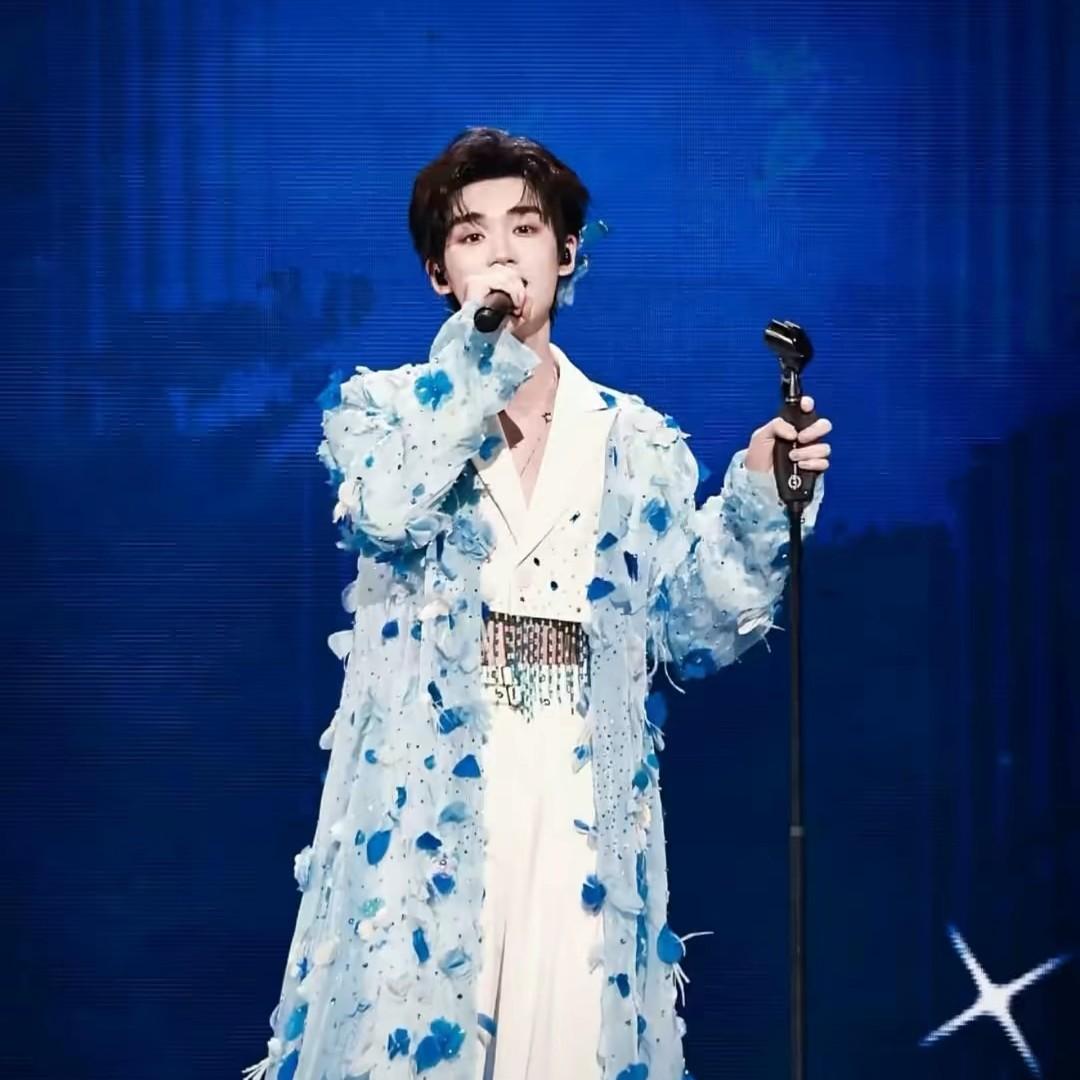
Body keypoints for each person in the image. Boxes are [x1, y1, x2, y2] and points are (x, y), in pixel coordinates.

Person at [245, 127, 831, 1080]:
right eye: (471, 235)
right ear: (440, 273)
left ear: (566, 255)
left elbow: (687, 632)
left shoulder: (636, 440)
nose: (502, 254)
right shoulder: (384, 411)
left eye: (525, 229)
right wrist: (476, 365)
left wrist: (761, 500)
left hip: (580, 806)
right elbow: (385, 510)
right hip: (429, 802)